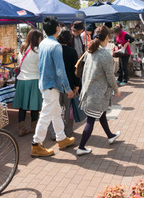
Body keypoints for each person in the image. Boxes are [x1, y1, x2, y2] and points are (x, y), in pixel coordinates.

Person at [31, 17, 75, 157]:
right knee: (46, 115)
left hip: (45, 83)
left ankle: (61, 138)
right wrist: (68, 88)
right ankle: (36, 144)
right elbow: (60, 70)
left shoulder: (43, 43)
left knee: (55, 112)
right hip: (51, 85)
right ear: (57, 28)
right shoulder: (55, 45)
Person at [77, 26, 121, 156]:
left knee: (101, 114)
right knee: (91, 120)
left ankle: (110, 135)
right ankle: (81, 147)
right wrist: (116, 90)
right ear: (107, 37)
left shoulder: (90, 51)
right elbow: (110, 76)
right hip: (97, 93)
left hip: (89, 91)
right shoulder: (104, 54)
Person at [12, 29, 44, 137]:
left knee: (22, 107)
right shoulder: (39, 50)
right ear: (37, 38)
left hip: (22, 80)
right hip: (34, 79)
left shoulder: (23, 48)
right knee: (34, 106)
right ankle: (34, 128)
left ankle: (21, 129)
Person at [57, 28, 81, 136]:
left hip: (56, 83)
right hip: (69, 83)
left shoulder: (55, 51)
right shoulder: (72, 51)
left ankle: (56, 132)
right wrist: (77, 85)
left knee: (56, 109)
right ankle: (67, 131)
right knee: (67, 109)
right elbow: (75, 70)